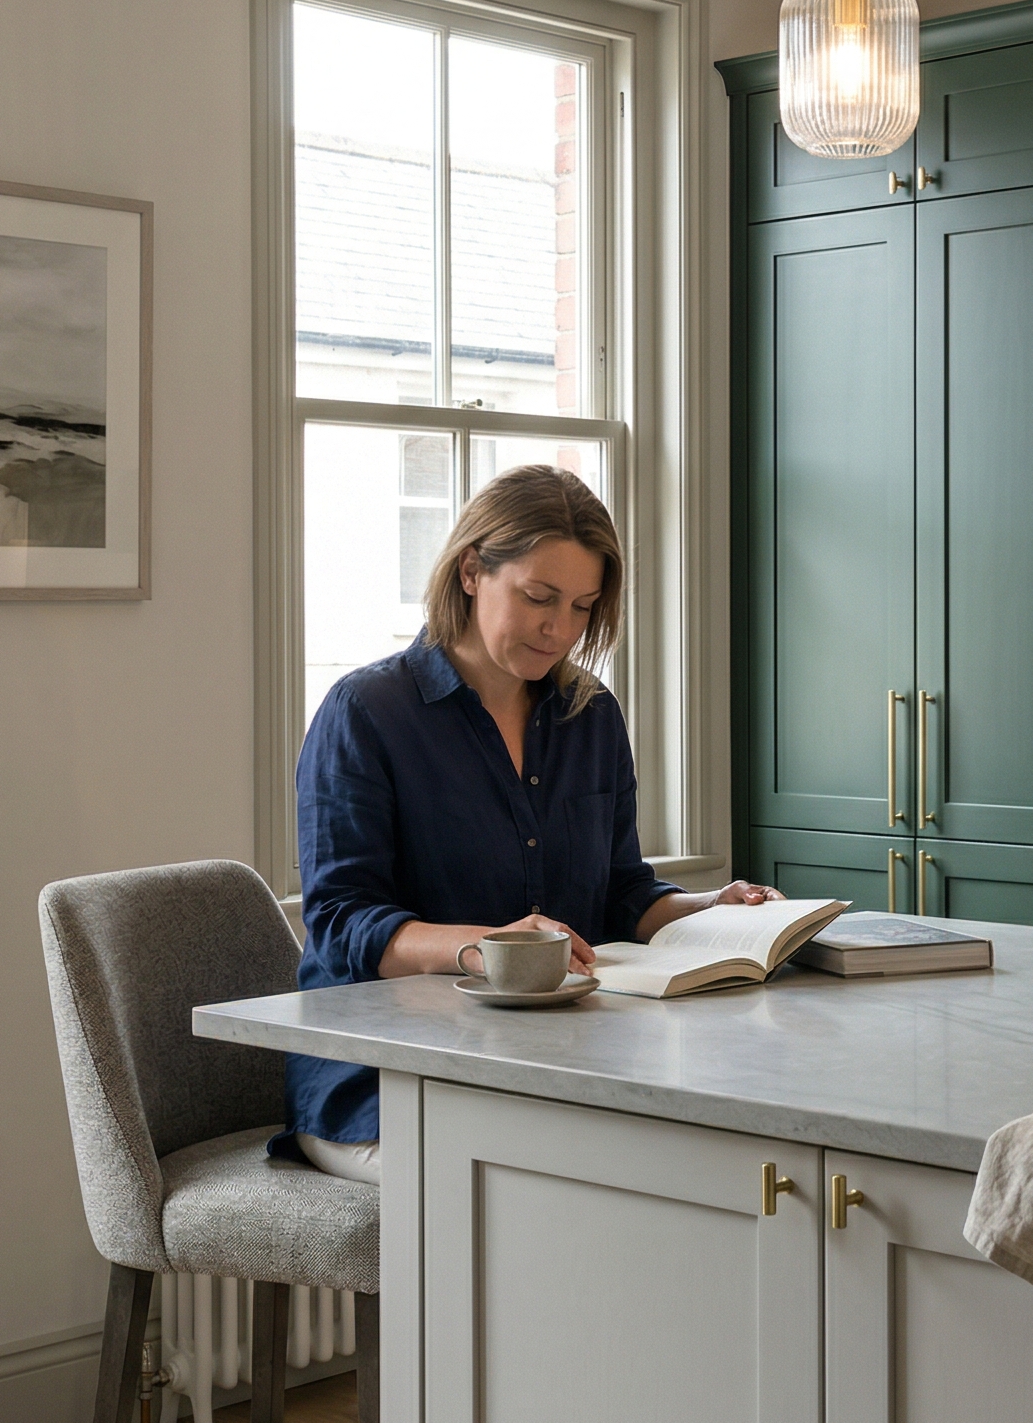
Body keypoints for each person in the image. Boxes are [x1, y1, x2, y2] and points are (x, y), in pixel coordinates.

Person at [284, 464, 780, 1182]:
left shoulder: (592, 716)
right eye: (539, 597)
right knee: (545, 1186)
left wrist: (710, 909)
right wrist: (486, 947)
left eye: (582, 607)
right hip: (381, 1077)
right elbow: (342, 924)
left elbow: (619, 893)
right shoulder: (365, 712)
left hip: (552, 1057)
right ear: (469, 571)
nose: (560, 629)